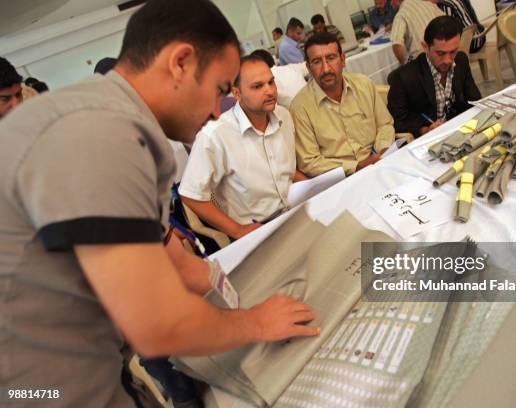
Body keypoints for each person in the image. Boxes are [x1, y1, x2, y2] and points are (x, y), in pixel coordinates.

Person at [0, 1, 319, 407]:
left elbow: (173, 255)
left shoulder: (111, 118)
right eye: (220, 91)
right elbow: (157, 323)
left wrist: (233, 289)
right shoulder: (101, 133)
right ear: (181, 63)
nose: (212, 112)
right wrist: (255, 321)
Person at [179, 54, 308, 240]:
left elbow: (286, 170)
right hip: (260, 231)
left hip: (297, 212)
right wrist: (236, 230)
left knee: (359, 242)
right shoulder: (215, 135)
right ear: (237, 93)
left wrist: (318, 187)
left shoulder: (283, 116)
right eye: (258, 86)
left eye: (271, 82)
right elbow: (190, 194)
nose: (270, 91)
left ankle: (367, 266)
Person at [290, 32, 395, 177]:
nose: (326, 69)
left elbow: (385, 124)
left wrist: (383, 150)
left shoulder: (364, 85)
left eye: (331, 58)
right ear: (308, 67)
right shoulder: (300, 107)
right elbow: (309, 161)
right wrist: (355, 167)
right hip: (342, 179)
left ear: (343, 59)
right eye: (317, 62)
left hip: (380, 161)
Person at [387, 15, 481, 136]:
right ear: (425, 47)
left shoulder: (461, 60)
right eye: (440, 53)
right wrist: (425, 130)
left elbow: (474, 100)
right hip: (430, 138)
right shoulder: (404, 77)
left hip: (462, 131)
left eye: (453, 51)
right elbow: (397, 120)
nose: (448, 60)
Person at [390, 0, 443, 64]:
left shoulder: (401, 14)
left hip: (421, 62)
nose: (391, 4)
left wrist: (404, 64)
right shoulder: (428, 4)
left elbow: (397, 44)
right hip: (442, 54)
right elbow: (448, 23)